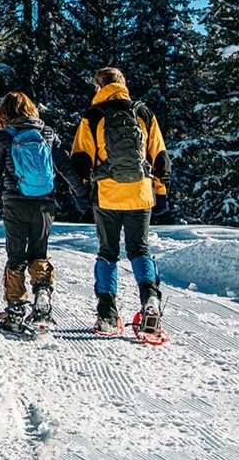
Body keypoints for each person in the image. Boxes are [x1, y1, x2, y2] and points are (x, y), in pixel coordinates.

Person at [69, 67, 171, 334]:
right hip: (140, 193)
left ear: (99, 87)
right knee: (140, 250)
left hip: (107, 195)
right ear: (123, 84)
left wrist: (81, 194)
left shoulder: (92, 116)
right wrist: (160, 191)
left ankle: (106, 315)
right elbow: (159, 156)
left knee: (108, 253)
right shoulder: (142, 113)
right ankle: (150, 303)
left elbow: (80, 160)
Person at [0, 91, 80, 329]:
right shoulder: (47, 133)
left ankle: (15, 311)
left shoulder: (3, 137)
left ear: (4, 112)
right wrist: (81, 193)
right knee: (39, 252)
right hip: (44, 203)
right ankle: (43, 296)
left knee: (16, 255)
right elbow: (64, 165)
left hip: (15, 202)